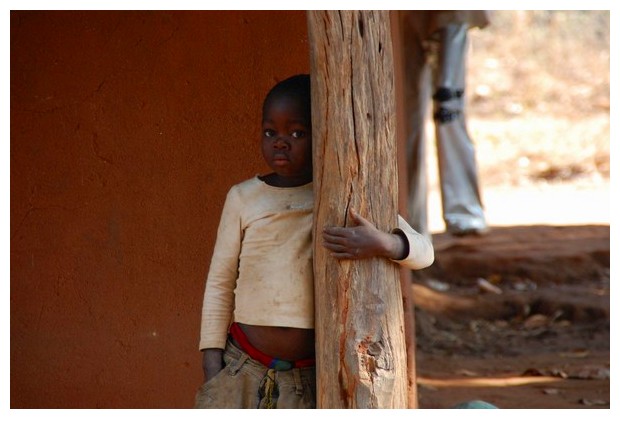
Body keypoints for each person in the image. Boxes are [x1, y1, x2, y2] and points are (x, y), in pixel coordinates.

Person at [195, 74, 434, 409]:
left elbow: (425, 252)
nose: (281, 142)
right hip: (241, 367)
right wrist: (211, 362)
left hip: (309, 376)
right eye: (270, 132)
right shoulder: (244, 198)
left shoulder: (340, 198)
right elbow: (220, 283)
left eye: (297, 133)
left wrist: (384, 244)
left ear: (321, 134)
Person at [397, 11, 490, 238]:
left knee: (449, 111)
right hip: (404, 17)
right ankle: (411, 220)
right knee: (407, 117)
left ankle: (465, 213)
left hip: (451, 14)